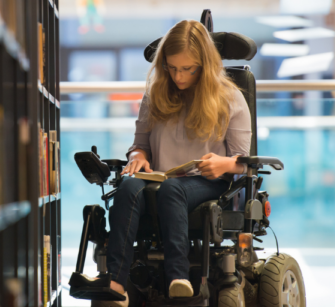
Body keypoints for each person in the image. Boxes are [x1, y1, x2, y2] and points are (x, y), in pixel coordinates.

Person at [92, 19, 251, 307]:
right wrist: (138, 157)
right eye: (172, 67)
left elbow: (244, 162)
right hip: (161, 177)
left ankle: (179, 279)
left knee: (172, 191)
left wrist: (224, 164)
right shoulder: (155, 95)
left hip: (206, 181)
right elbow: (139, 145)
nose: (178, 76)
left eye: (188, 69)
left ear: (204, 65)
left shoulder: (230, 98)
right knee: (127, 187)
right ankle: (116, 283)